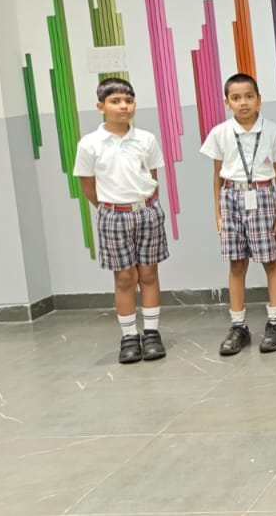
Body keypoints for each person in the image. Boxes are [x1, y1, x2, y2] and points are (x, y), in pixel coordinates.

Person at [73, 77, 168, 364]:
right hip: (113, 215)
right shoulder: (90, 144)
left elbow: (152, 177)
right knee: (125, 278)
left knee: (149, 273)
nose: (123, 106)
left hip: (147, 212)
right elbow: (88, 184)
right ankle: (129, 336)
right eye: (115, 101)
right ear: (101, 107)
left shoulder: (146, 139)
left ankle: (151, 333)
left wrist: (145, 203)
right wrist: (109, 208)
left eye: (128, 101)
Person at [199, 73, 276, 355]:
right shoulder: (220, 133)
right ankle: (238, 325)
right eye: (236, 98)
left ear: (259, 100)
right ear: (227, 102)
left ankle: (275, 323)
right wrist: (218, 213)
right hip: (231, 196)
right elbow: (217, 175)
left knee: (270, 260)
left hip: (263, 196)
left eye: (249, 97)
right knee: (236, 263)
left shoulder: (274, 131)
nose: (243, 103)